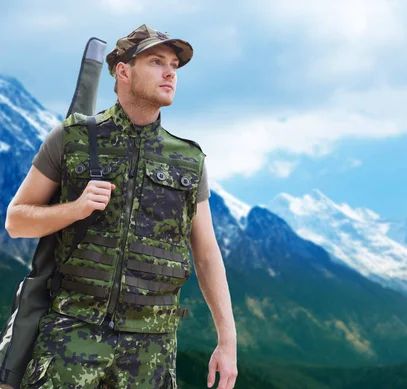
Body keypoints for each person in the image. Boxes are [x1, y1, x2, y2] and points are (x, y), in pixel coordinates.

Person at [4, 24, 237, 389]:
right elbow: (16, 221)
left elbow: (206, 255)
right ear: (123, 71)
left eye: (174, 64)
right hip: (70, 338)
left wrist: (227, 341)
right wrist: (75, 208)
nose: (170, 72)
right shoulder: (72, 138)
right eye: (157, 61)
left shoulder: (189, 160)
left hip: (152, 352)